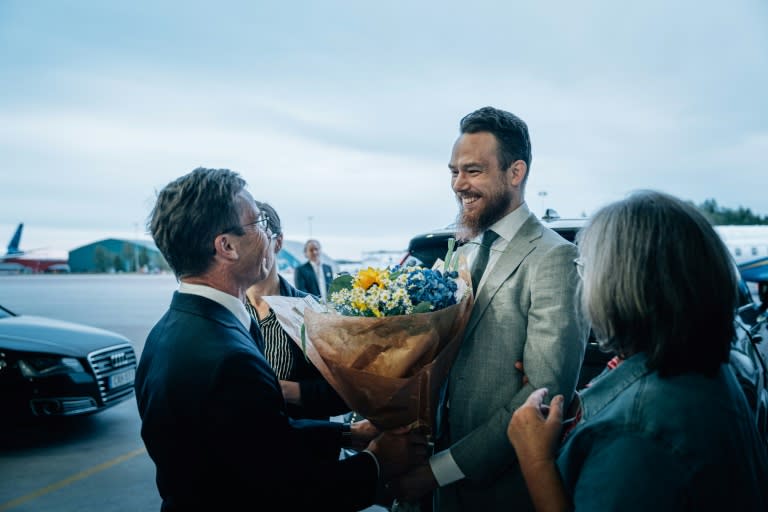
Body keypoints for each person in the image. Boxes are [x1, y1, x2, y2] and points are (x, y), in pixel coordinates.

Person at [134, 167, 427, 511]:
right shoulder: (228, 360)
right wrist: (377, 462)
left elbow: (259, 440)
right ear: (226, 246)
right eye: (257, 223)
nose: (266, 235)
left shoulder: (171, 329)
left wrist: (348, 435)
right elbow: (284, 491)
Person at [507, 190, 768, 511]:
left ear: (618, 286)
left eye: (585, 270)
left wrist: (537, 462)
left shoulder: (634, 435)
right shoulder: (702, 364)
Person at [392, 106, 589, 511]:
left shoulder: (555, 258)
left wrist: (440, 469)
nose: (458, 184)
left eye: (473, 171)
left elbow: (542, 395)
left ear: (515, 173)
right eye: (454, 171)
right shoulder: (461, 250)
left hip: (500, 490)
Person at [245, 201, 349, 421]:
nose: (247, 250)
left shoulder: (310, 309)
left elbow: (343, 393)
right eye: (240, 240)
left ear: (278, 242)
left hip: (304, 446)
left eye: (257, 238)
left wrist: (286, 391)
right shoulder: (226, 311)